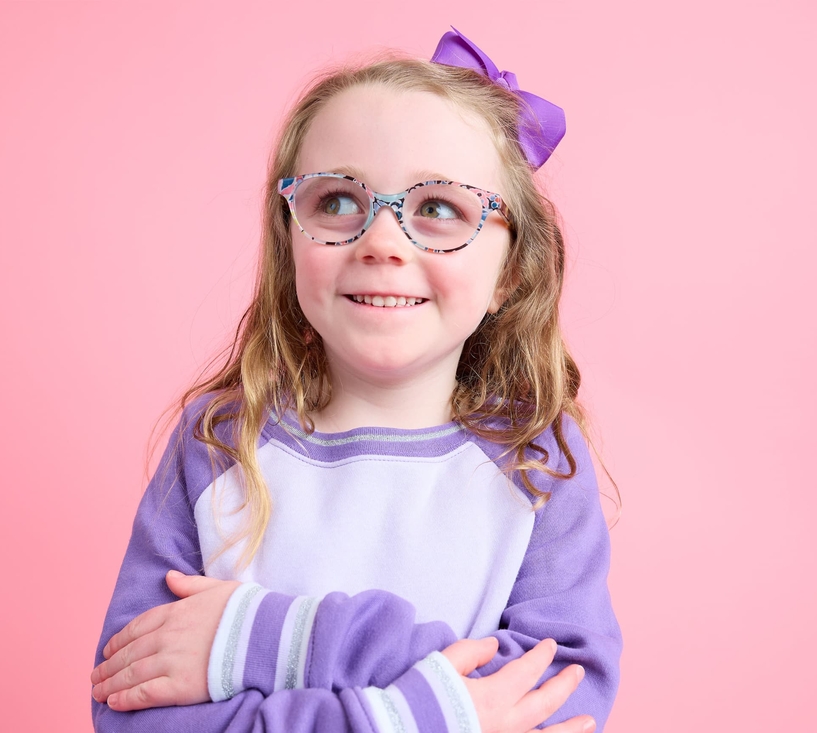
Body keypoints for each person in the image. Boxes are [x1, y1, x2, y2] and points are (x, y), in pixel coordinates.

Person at [89, 27, 622, 733]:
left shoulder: (537, 460)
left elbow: (551, 704)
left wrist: (262, 637)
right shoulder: (220, 441)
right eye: (338, 200)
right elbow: (132, 708)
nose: (381, 241)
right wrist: (426, 712)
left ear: (511, 273)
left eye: (439, 209)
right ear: (290, 243)